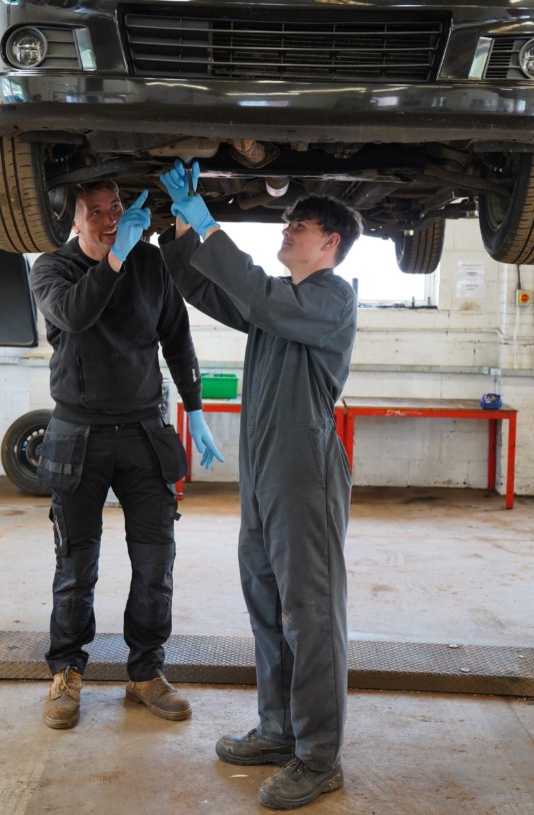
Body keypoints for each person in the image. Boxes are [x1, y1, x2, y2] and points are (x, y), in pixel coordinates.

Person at [158, 159, 363, 810]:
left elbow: (257, 292)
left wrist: (207, 222)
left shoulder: (331, 296)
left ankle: (319, 756)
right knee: (268, 607)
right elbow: (218, 293)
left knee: (311, 614)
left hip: (305, 472)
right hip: (265, 472)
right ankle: (278, 729)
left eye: (297, 225)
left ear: (328, 242)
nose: (286, 230)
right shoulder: (280, 304)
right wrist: (176, 235)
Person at [30, 179, 223, 730]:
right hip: (78, 435)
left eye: (116, 207)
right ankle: (66, 671)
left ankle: (145, 673)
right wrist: (114, 258)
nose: (110, 218)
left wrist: (196, 407)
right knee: (75, 566)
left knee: (155, 562)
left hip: (143, 432)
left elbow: (177, 335)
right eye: (96, 212)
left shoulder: (148, 263)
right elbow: (74, 315)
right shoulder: (52, 269)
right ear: (73, 221)